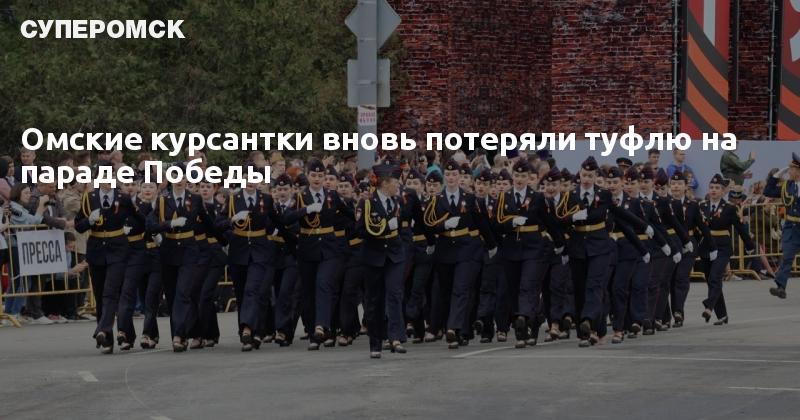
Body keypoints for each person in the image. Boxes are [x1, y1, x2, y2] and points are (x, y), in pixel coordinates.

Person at [423, 158, 497, 349]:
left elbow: (481, 223)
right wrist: (443, 226)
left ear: (459, 177)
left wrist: (491, 245)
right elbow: (428, 226)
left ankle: (453, 328)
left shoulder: (469, 198)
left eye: (454, 174)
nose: (451, 178)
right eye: (447, 174)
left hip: (467, 249)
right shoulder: (435, 200)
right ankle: (461, 331)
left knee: (461, 289)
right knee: (447, 292)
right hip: (445, 249)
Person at [282, 159, 353, 351]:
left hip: (329, 248)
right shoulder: (300, 197)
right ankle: (314, 332)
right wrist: (305, 210)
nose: (317, 179)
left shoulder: (332, 195)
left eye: (320, 176)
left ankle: (322, 326)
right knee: (308, 291)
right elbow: (286, 219)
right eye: (313, 175)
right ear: (307, 176)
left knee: (323, 283)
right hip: (307, 248)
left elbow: (349, 214)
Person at [495, 159, 564, 348]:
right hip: (511, 249)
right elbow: (496, 223)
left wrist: (560, 243)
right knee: (514, 289)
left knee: (529, 286)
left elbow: (549, 221)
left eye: (523, 176)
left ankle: (525, 320)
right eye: (516, 175)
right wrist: (511, 222)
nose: (519, 179)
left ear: (529, 177)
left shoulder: (537, 197)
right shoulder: (504, 197)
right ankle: (523, 330)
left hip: (533, 248)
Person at [146, 170, 210, 352]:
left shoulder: (195, 199)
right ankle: (181, 334)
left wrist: (221, 239)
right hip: (169, 251)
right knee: (173, 295)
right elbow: (151, 225)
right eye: (175, 177)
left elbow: (207, 222)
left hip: (189, 251)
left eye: (182, 177)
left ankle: (179, 336)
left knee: (183, 293)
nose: (179, 181)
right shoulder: (162, 200)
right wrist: (169, 224)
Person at [74, 172, 137, 353]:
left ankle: (102, 329)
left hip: (118, 249)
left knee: (110, 292)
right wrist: (89, 220)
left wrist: (132, 231)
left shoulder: (123, 198)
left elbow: (137, 219)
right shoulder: (89, 198)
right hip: (97, 250)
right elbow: (79, 226)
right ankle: (106, 339)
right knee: (101, 294)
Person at [215, 177, 278, 351]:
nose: (250, 181)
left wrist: (282, 235)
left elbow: (275, 220)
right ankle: (247, 333)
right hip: (239, 251)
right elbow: (218, 224)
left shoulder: (266, 199)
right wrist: (231, 220)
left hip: (259, 251)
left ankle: (249, 329)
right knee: (242, 293)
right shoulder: (233, 199)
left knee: (253, 289)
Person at [357, 162, 412, 358]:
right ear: (384, 183)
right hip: (374, 255)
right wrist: (386, 226)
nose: (398, 185)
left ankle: (396, 337)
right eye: (395, 181)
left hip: (395, 254)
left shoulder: (398, 202)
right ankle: (376, 342)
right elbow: (360, 230)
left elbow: (404, 228)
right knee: (374, 300)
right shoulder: (367, 203)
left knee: (395, 294)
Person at [698, 174, 754, 325]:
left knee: (715, 276)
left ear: (723, 191)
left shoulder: (729, 208)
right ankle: (722, 315)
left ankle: (709, 307)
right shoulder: (702, 206)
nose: (713, 190)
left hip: (722, 247)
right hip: (706, 247)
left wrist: (749, 245)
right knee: (711, 281)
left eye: (717, 188)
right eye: (711, 187)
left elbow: (740, 228)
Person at [763, 153, 800, 299]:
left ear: (798, 171)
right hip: (791, 227)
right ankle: (780, 287)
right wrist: (776, 176)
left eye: (792, 169)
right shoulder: (786, 186)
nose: (789, 171)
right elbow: (767, 191)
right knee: (787, 256)